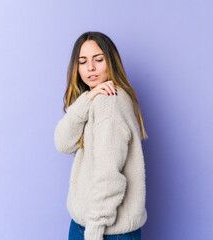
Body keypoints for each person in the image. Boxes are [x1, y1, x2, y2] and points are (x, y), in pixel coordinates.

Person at [54, 31, 148, 240]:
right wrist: (87, 98)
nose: (91, 68)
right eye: (82, 62)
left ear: (111, 62)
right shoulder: (94, 99)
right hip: (83, 225)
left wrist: (94, 232)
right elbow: (62, 143)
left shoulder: (109, 101)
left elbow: (109, 175)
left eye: (98, 59)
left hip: (105, 231)